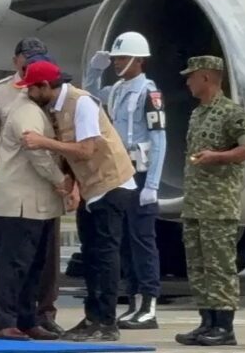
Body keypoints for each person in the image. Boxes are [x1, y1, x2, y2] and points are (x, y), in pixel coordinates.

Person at [19, 60, 136, 342]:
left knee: (105, 256)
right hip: (91, 189)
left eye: (32, 89)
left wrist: (42, 142)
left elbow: (85, 149)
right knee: (92, 257)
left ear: (45, 86)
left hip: (111, 186)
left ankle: (107, 323)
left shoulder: (81, 103)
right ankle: (93, 317)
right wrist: (70, 181)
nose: (29, 95)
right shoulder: (55, 108)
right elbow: (72, 154)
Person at [0, 37, 69, 335]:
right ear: (39, 86)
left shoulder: (35, 108)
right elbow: (38, 155)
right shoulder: (27, 111)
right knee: (14, 265)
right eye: (52, 86)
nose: (56, 92)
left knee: (33, 266)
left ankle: (28, 320)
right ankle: (5, 323)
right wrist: (61, 181)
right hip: (19, 202)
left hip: (35, 203)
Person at [174, 56, 245, 347]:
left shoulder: (230, 112)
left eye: (192, 76)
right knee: (198, 265)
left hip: (218, 205)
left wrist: (218, 157)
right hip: (196, 204)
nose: (187, 82)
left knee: (220, 266)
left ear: (206, 78)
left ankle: (224, 325)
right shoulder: (198, 113)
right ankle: (206, 321)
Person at [85, 31, 167, 329]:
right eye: (116, 57)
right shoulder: (118, 89)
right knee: (126, 243)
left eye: (122, 57)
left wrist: (154, 184)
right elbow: (91, 97)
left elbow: (159, 139)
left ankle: (149, 303)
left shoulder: (149, 92)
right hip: (122, 173)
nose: (117, 62)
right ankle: (133, 300)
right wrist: (94, 70)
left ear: (138, 60)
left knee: (143, 240)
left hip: (142, 172)